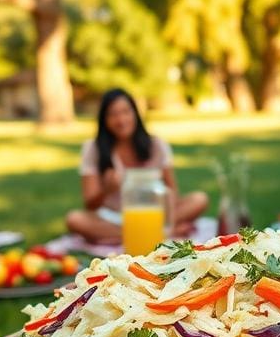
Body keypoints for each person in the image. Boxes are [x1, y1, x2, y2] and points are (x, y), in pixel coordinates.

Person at [66, 89, 209, 243]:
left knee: (199, 199)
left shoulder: (156, 145)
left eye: (126, 112)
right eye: (112, 114)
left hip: (154, 215)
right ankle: (158, 234)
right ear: (104, 119)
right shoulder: (93, 148)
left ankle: (134, 235)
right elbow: (90, 206)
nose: (121, 120)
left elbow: (172, 192)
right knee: (74, 219)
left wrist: (169, 219)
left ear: (135, 113)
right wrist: (106, 190)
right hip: (115, 218)